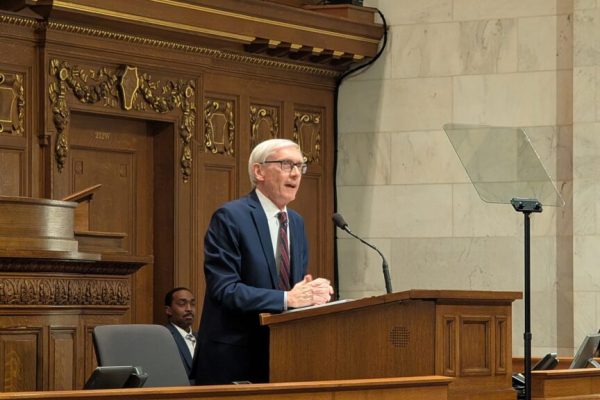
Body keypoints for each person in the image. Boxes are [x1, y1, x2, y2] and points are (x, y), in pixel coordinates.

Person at [192, 138, 333, 385]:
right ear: (259, 171)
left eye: (300, 166)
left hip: (283, 354)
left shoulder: (296, 222)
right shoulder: (230, 217)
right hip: (234, 360)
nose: (296, 174)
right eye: (287, 164)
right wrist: (287, 299)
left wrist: (311, 293)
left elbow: (293, 288)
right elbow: (225, 289)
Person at [164, 287, 197, 381]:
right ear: (168, 310)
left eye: (192, 304)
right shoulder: (164, 338)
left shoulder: (202, 338)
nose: (189, 309)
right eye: (182, 304)